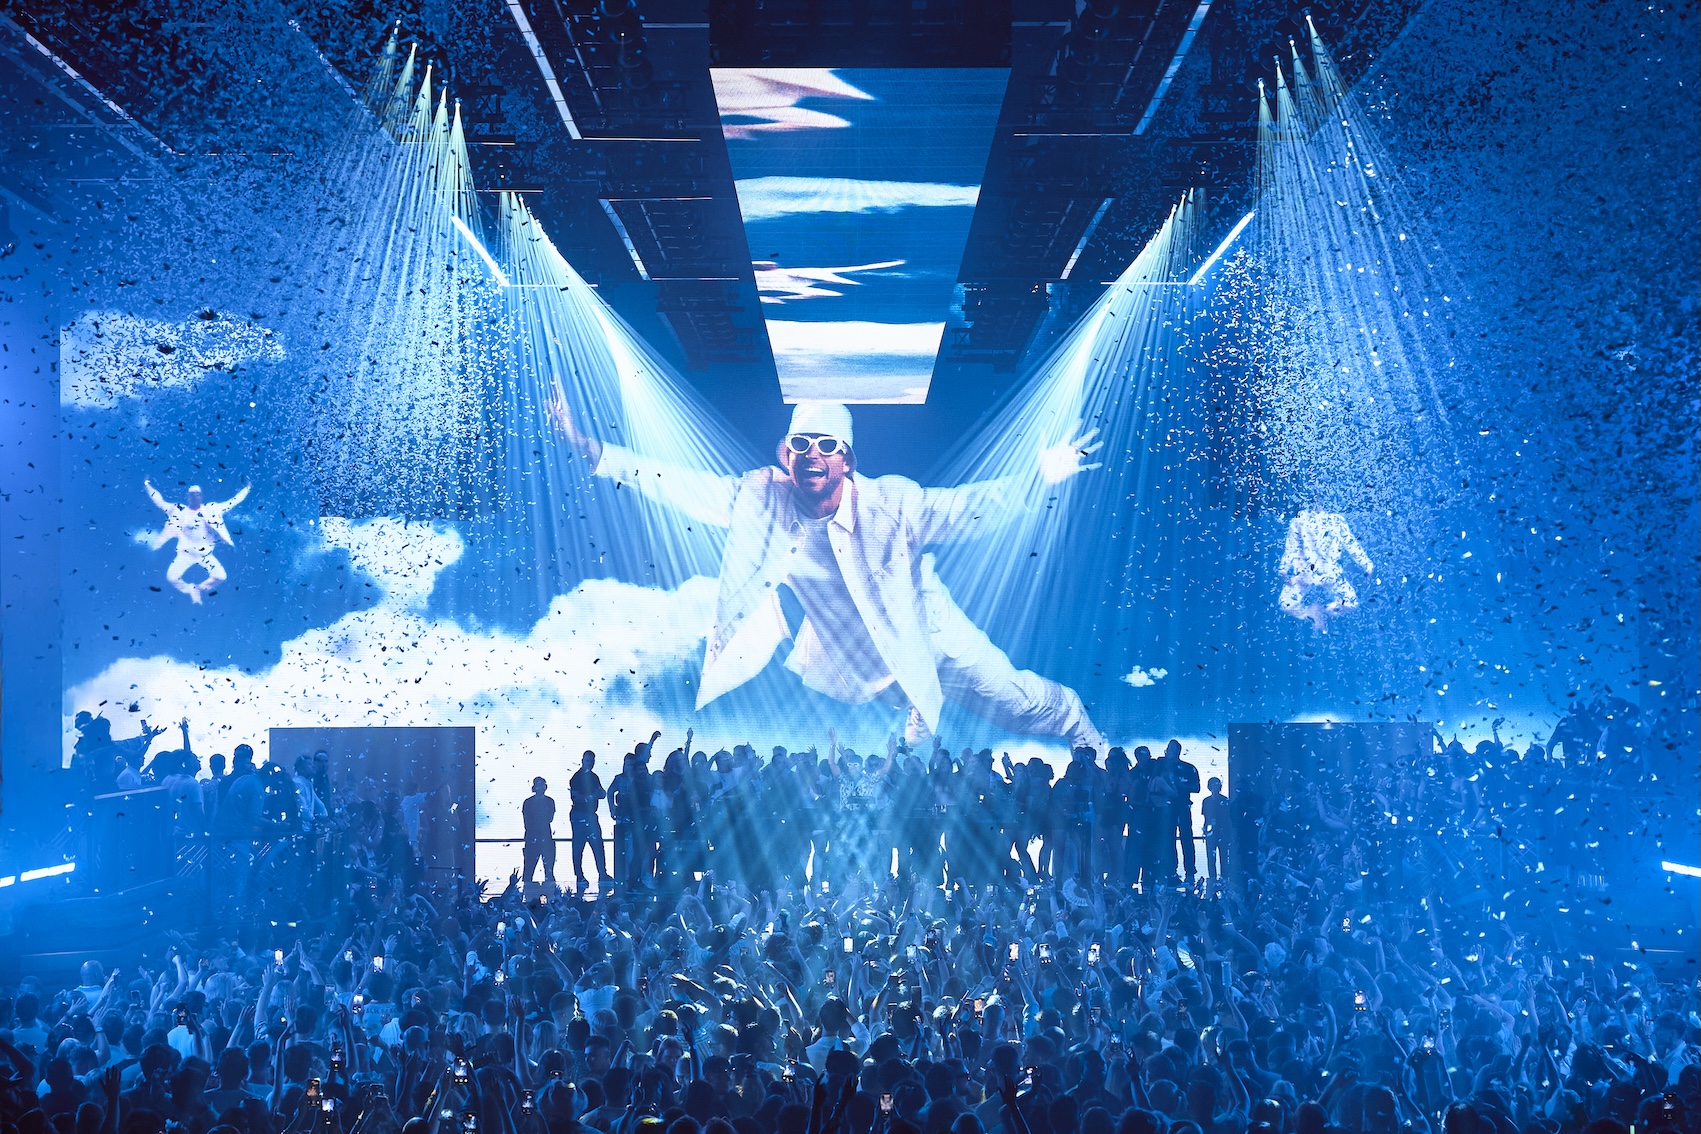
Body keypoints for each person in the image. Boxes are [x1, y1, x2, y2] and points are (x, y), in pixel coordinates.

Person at [547, 392, 1107, 750]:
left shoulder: (892, 504)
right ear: (785, 455)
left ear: (847, 460)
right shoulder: (758, 498)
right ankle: (915, 704)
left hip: (927, 631)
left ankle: (1079, 728)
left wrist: (1038, 477)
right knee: (893, 699)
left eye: (826, 445)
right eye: (800, 444)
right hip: (853, 653)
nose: (812, 454)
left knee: (1011, 702)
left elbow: (968, 508)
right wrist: (591, 449)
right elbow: (675, 484)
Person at [143, 478, 251, 604]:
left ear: (201, 497)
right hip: (186, 554)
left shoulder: (212, 510)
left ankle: (198, 589)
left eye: (197, 495)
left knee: (221, 576)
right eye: (192, 495)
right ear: (188, 497)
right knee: (171, 577)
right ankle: (190, 589)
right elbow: (160, 502)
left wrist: (247, 489)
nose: (195, 497)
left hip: (205, 555)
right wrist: (147, 485)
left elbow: (232, 502)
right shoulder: (179, 511)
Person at [1277, 509, 1374, 633]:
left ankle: (1317, 614)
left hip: (1308, 574)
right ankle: (1321, 613)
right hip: (1328, 574)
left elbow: (1291, 548)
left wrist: (1283, 570)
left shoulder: (1299, 520)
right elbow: (1351, 545)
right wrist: (1367, 565)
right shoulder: (1335, 520)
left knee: (1285, 603)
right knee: (1351, 603)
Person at [569, 750, 608, 893]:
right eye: (588, 761)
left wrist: (589, 797)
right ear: (582, 761)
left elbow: (602, 793)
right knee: (578, 846)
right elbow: (576, 797)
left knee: (598, 845)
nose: (590, 763)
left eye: (592, 761)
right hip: (579, 815)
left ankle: (602, 874)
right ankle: (579, 876)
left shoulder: (594, 777)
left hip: (590, 815)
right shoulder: (576, 778)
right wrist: (591, 797)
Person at [522, 776, 558, 890]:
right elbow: (528, 821)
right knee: (529, 870)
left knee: (548, 871)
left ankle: (548, 894)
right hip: (535, 837)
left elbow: (549, 818)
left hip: (543, 837)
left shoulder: (548, 801)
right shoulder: (529, 802)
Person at [1201, 775, 1229, 885]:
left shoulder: (1225, 800)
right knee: (1211, 857)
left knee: (1223, 856)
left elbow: (1228, 818)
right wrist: (1205, 829)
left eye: (1218, 785)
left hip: (1223, 831)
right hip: (1211, 832)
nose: (1216, 787)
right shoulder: (1206, 801)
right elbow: (1206, 817)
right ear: (1210, 787)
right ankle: (1212, 878)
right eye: (1214, 785)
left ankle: (1224, 878)